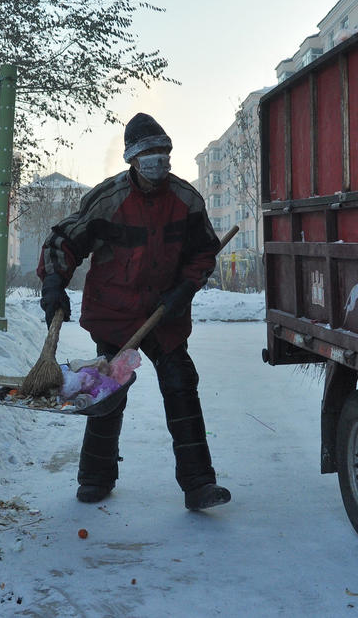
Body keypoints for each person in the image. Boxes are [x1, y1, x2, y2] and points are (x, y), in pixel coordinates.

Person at [36, 113, 231, 511]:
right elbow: (64, 242)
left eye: (163, 152)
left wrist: (186, 287)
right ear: (132, 159)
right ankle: (95, 478)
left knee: (180, 385)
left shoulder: (187, 200)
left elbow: (203, 252)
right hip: (116, 313)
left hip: (166, 314)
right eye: (149, 154)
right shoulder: (107, 200)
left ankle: (198, 484)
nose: (157, 161)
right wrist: (55, 283)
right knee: (108, 392)